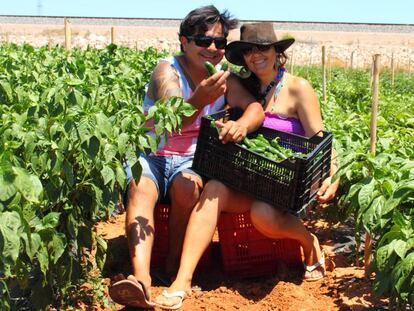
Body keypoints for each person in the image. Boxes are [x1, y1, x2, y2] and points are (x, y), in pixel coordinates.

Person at [155, 22, 339, 310]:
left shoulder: (298, 87)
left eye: (263, 48)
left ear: (277, 51)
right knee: (214, 188)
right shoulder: (242, 85)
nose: (256, 55)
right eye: (249, 50)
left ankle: (308, 242)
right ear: (243, 57)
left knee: (263, 214)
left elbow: (320, 138)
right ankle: (182, 281)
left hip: (283, 184)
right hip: (246, 177)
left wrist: (332, 174)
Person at [108, 7, 264, 309]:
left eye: (220, 43)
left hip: (190, 160)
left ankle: (172, 260)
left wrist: (241, 124)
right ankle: (141, 280)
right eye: (204, 41)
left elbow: (255, 107)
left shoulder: (223, 79)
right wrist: (199, 100)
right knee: (140, 189)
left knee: (187, 188)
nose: (213, 49)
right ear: (184, 41)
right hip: (152, 153)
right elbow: (171, 117)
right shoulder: (166, 70)